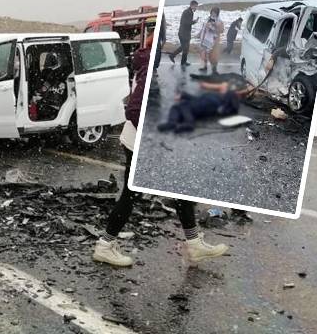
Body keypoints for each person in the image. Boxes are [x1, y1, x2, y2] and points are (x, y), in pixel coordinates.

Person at [92, 33, 228, 267]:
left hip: (137, 141)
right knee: (133, 195)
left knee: (167, 189)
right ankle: (105, 245)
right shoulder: (149, 66)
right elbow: (135, 110)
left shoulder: (147, 62)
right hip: (141, 144)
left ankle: (193, 243)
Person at [157, 80, 249, 133]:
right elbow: (196, 98)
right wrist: (184, 95)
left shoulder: (229, 95)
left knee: (185, 106)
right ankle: (172, 122)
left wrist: (222, 110)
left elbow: (233, 109)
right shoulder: (216, 94)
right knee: (176, 107)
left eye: (224, 86)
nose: (221, 86)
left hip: (208, 106)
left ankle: (189, 123)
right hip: (199, 103)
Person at [169, 0, 199, 67]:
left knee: (185, 48)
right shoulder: (187, 12)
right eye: (196, 6)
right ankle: (176, 58)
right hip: (183, 33)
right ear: (192, 5)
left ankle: (180, 60)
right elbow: (185, 23)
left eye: (197, 6)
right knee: (185, 47)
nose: (196, 8)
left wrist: (193, 21)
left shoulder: (190, 12)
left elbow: (187, 22)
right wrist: (194, 22)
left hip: (185, 33)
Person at [197, 7, 224, 74]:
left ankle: (214, 69)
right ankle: (205, 67)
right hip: (206, 38)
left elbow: (221, 30)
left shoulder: (219, 21)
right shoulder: (208, 19)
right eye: (212, 12)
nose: (213, 14)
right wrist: (200, 33)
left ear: (217, 13)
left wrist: (214, 27)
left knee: (213, 55)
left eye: (215, 13)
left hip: (214, 40)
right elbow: (203, 27)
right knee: (205, 53)